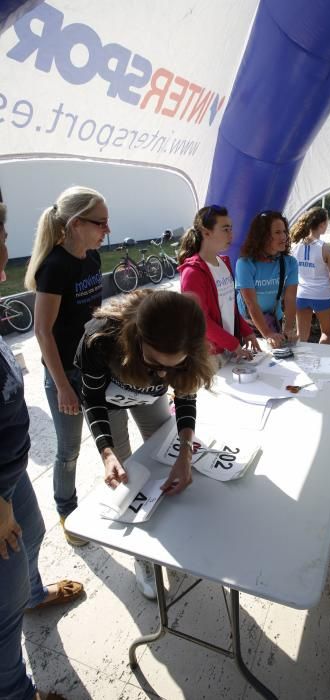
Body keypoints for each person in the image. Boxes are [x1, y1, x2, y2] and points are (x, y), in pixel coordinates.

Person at [74, 289, 215, 598]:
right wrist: (107, 453)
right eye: (154, 362)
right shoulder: (100, 339)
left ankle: (170, 534)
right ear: (137, 337)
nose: (163, 373)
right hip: (109, 400)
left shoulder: (184, 342)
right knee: (126, 474)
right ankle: (141, 555)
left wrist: (186, 454)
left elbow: (185, 397)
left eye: (174, 366)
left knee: (167, 456)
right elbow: (93, 400)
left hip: (148, 399)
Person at [1, 206, 83, 700]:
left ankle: (33, 595)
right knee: (2, 615)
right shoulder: (55, 269)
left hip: (9, 476)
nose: (6, 250)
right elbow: (46, 332)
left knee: (31, 532)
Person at [25, 187, 107, 546]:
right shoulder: (55, 267)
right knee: (69, 449)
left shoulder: (92, 258)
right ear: (76, 224)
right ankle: (67, 511)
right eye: (100, 223)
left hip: (94, 367)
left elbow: (94, 316)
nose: (106, 229)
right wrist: (62, 386)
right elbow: (42, 331)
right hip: (65, 375)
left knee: (108, 437)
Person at [178, 205, 260, 364]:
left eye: (231, 228)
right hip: (210, 355)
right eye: (225, 229)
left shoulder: (224, 263)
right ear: (206, 232)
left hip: (230, 348)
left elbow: (230, 307)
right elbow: (200, 320)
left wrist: (247, 332)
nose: (231, 234)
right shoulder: (192, 272)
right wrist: (233, 344)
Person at [235, 210, 298, 348]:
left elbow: (290, 299)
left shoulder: (290, 262)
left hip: (273, 320)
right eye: (277, 232)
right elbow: (251, 303)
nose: (284, 237)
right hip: (248, 325)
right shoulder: (245, 263)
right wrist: (268, 333)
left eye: (284, 232)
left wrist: (288, 328)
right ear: (262, 236)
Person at [289, 207, 330, 343]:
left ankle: (303, 362)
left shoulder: (296, 245)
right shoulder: (326, 248)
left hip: (301, 295)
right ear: (322, 225)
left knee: (301, 336)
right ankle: (320, 363)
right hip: (321, 295)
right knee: (327, 333)